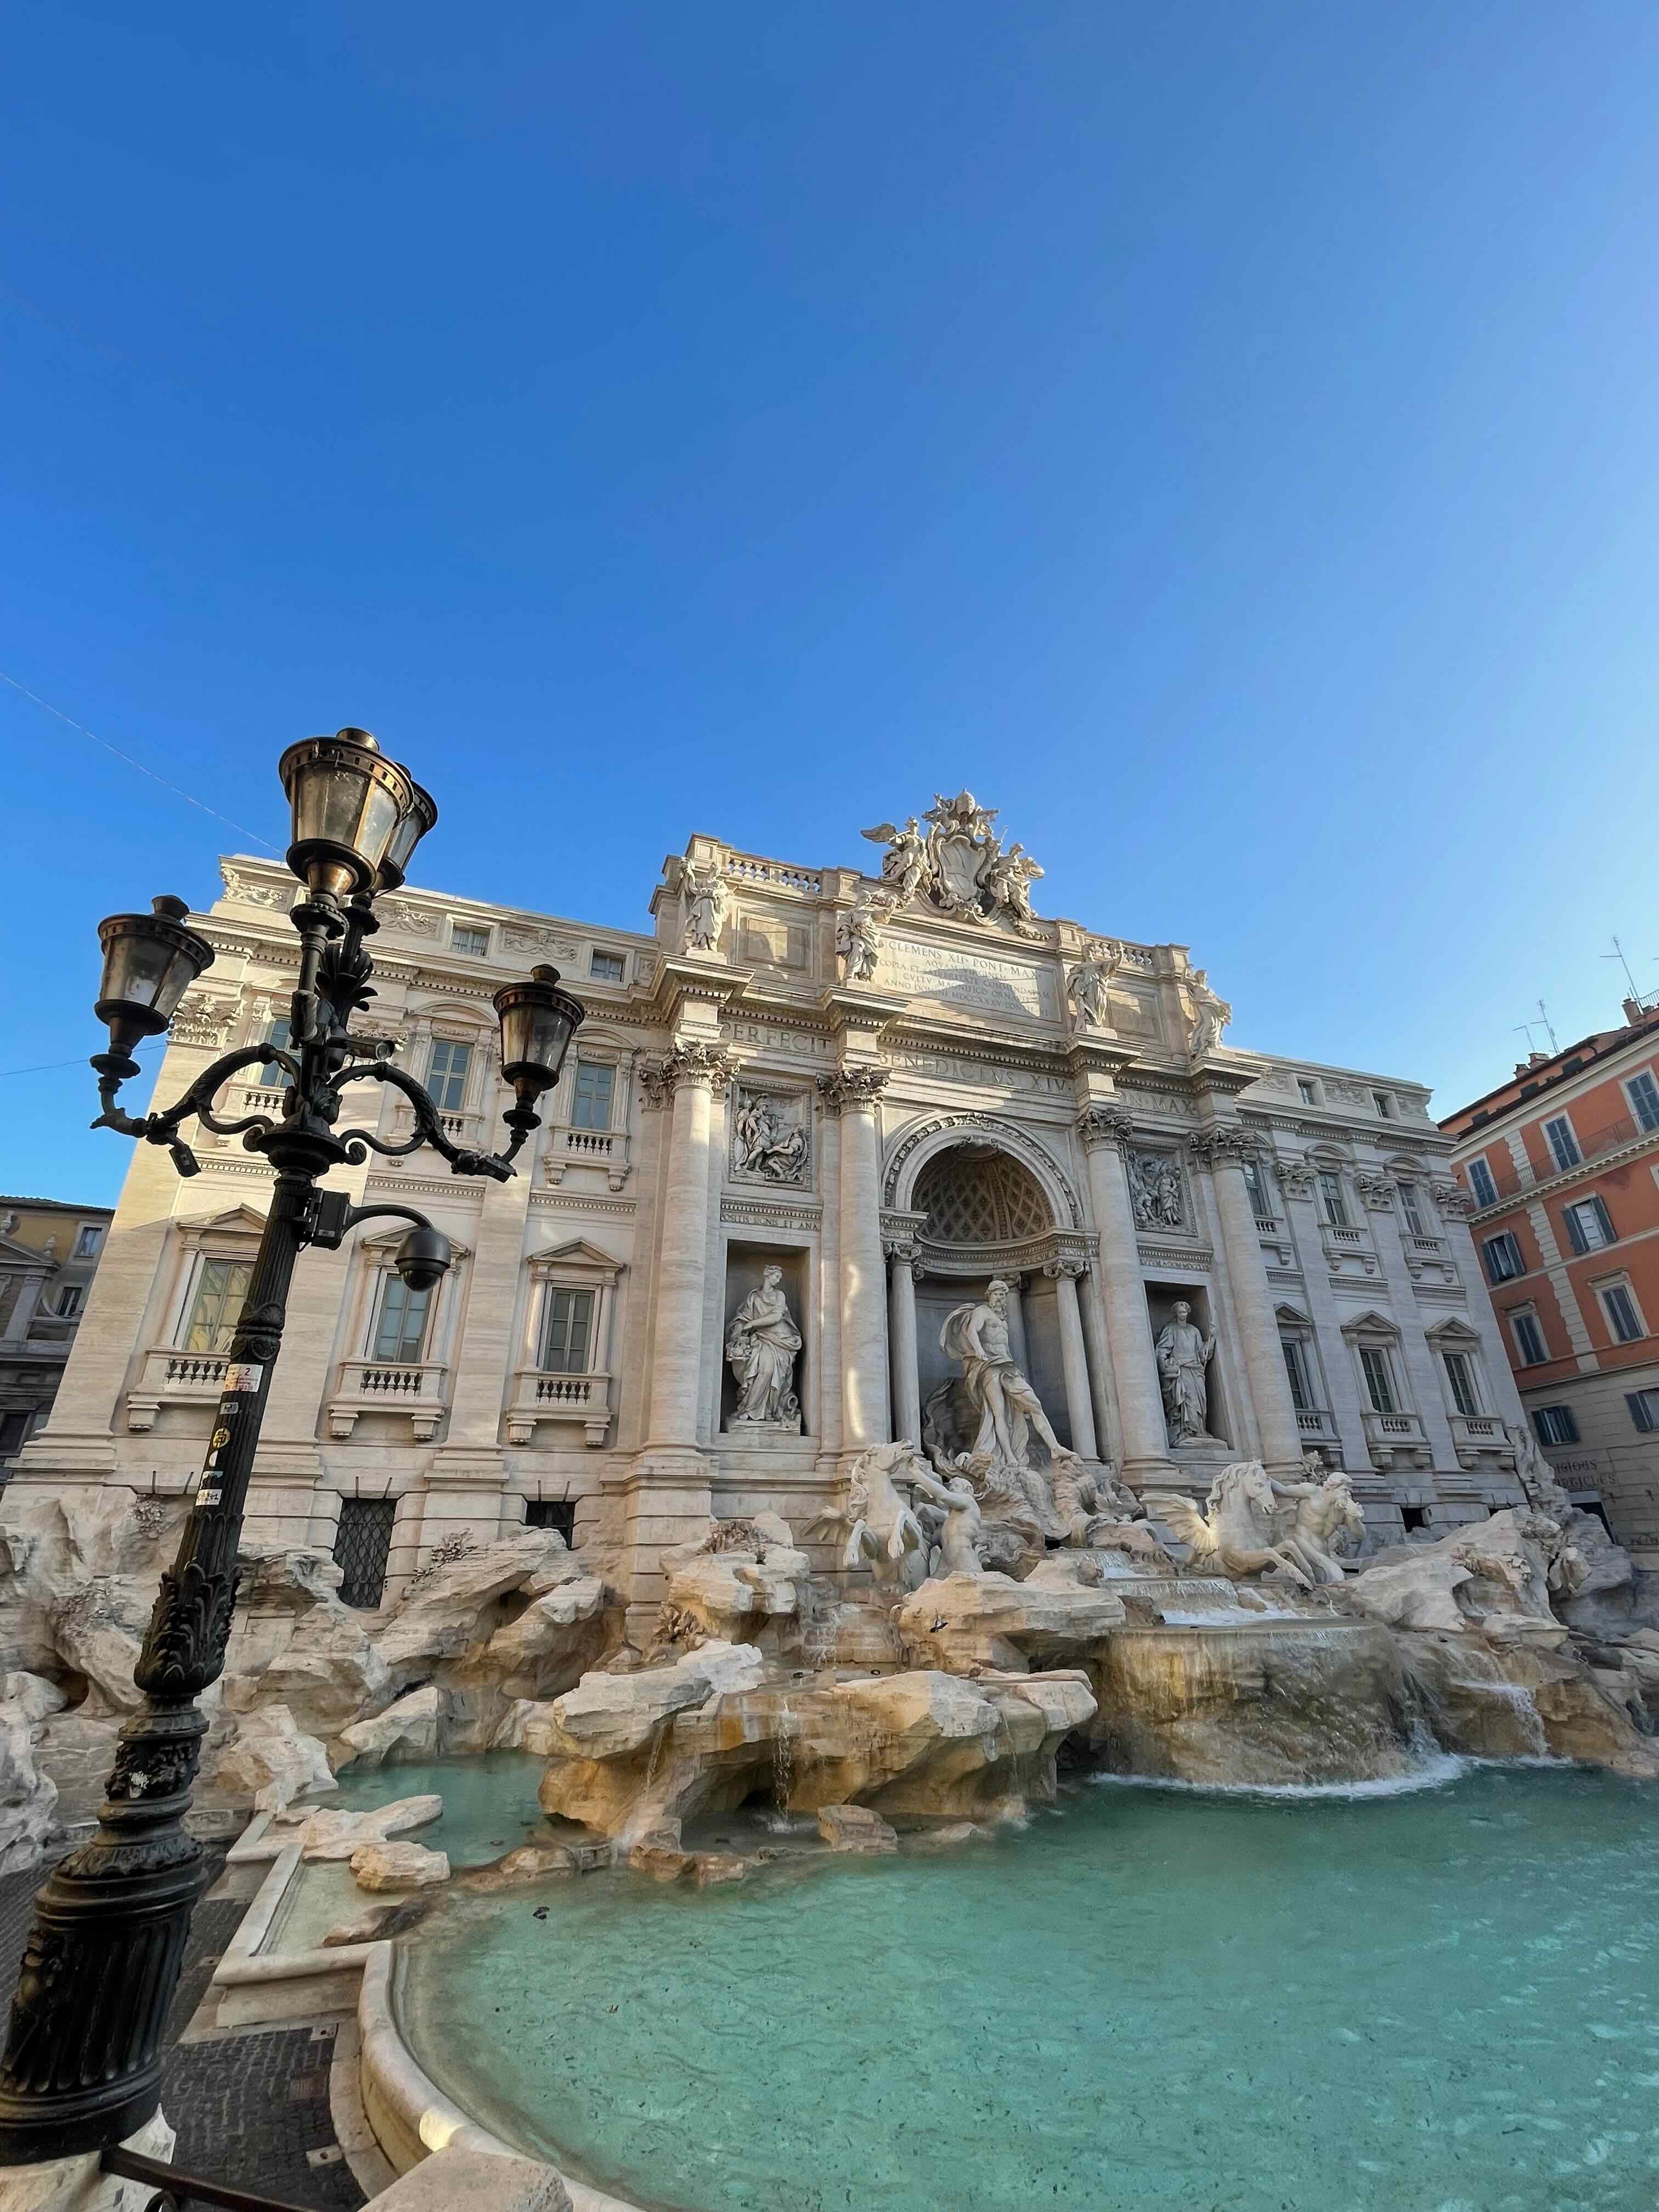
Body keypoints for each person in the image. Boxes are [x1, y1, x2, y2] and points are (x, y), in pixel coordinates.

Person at [725, 1266, 802, 1426]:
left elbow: (775, 1317)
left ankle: (765, 1410)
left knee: (769, 1371)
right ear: (767, 1276)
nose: (778, 1280)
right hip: (760, 1338)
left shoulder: (780, 1295)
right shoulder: (754, 1297)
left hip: (780, 1339)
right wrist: (742, 1328)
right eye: (776, 1277)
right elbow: (743, 1318)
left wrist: (752, 1324)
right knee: (760, 1369)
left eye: (780, 1278)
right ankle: (752, 1409)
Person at [1154, 1298, 1217, 1444]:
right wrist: (1164, 1364)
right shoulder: (1171, 1329)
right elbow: (1163, 1349)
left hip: (1196, 1369)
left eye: (1185, 1312)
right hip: (1181, 1369)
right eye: (1180, 1312)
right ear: (1176, 1314)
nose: (1183, 1315)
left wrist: (1212, 1337)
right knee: (1185, 1399)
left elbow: (1203, 1354)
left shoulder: (1194, 1331)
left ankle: (1199, 1430)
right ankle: (1185, 1430)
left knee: (1199, 1401)